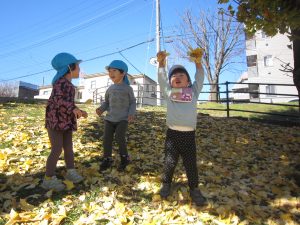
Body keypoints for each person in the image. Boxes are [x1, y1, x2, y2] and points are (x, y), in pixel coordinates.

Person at [156, 49, 207, 206]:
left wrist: (198, 62)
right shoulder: (169, 93)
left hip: (189, 136)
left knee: (190, 164)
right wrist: (161, 64)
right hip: (172, 135)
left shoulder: (193, 92)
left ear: (188, 82)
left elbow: (200, 78)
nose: (177, 77)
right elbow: (162, 80)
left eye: (181, 76)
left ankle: (194, 188)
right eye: (174, 76)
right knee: (169, 162)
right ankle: (166, 184)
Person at [42, 52, 88, 192]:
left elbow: (67, 103)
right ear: (70, 67)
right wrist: (72, 108)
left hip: (66, 122)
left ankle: (70, 171)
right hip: (55, 121)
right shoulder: (60, 83)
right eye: (77, 67)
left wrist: (77, 110)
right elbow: (58, 100)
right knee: (57, 148)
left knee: (68, 147)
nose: (79, 70)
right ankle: (48, 179)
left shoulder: (69, 84)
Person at [96, 60, 136, 172]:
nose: (111, 73)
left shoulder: (128, 89)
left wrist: (131, 113)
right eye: (109, 71)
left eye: (114, 70)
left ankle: (125, 158)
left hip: (122, 119)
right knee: (106, 139)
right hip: (109, 119)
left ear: (123, 73)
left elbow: (133, 102)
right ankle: (107, 158)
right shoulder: (110, 89)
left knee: (119, 137)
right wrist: (101, 109)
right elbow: (106, 102)